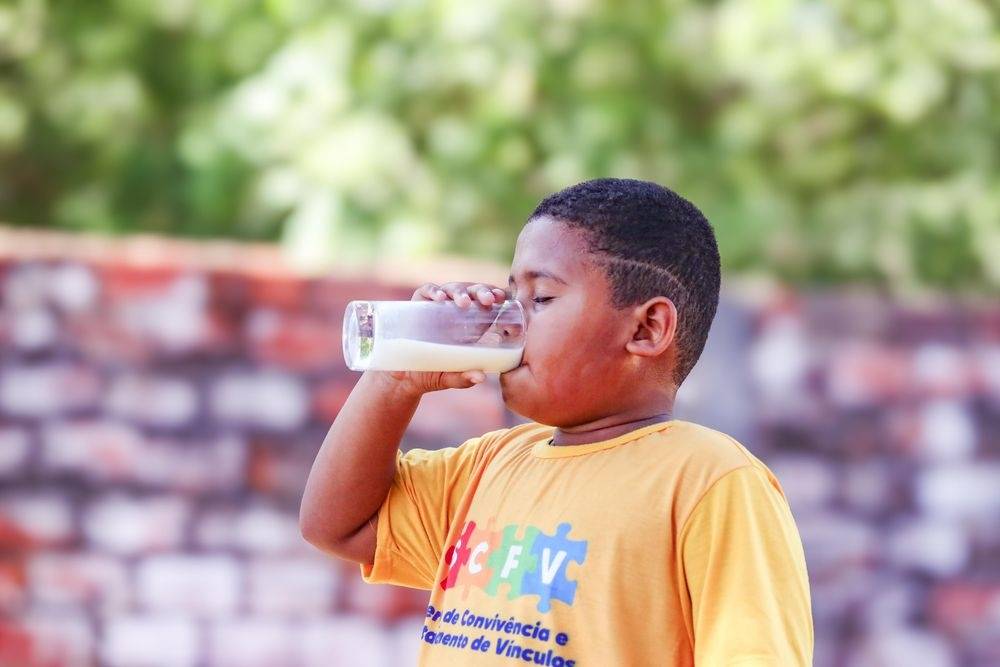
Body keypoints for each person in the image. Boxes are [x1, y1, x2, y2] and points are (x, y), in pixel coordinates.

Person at [300, 178, 813, 665]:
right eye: (510, 296)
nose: (509, 320)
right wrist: (393, 382)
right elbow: (338, 527)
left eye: (540, 299)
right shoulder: (488, 465)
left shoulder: (710, 480)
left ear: (647, 328)